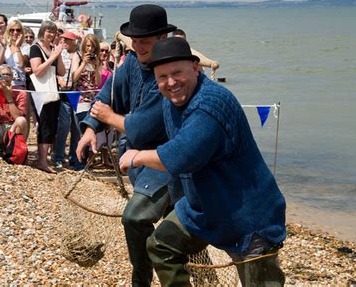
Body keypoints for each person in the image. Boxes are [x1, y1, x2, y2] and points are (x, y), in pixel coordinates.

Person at [119, 37, 286, 286]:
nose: (171, 83)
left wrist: (137, 156)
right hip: (203, 209)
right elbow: (149, 134)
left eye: (177, 73)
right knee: (162, 244)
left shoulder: (209, 105)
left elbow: (179, 156)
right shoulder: (170, 101)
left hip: (249, 218)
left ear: (195, 67)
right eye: (162, 76)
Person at [76, 4, 176, 286]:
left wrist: (109, 118)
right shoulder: (130, 63)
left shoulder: (168, 74)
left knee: (135, 219)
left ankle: (141, 280)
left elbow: (145, 126)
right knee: (168, 232)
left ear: (162, 39)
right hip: (135, 163)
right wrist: (91, 129)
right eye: (135, 40)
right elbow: (105, 97)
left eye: (145, 41)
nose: (138, 46)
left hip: (166, 162)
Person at [29, 20, 65, 173]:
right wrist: (52, 57)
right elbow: (36, 70)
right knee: (44, 123)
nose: (51, 34)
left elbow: (62, 72)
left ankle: (45, 158)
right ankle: (41, 161)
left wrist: (59, 54)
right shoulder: (35, 48)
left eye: (53, 31)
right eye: (48, 31)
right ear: (42, 32)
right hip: (40, 90)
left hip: (52, 90)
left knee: (52, 124)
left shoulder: (53, 49)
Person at [0, 64, 27, 158]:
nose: (5, 77)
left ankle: (12, 147)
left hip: (12, 127)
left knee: (21, 120)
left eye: (8, 74)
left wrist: (9, 97)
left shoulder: (20, 92)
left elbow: (18, 117)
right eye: (2, 75)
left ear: (12, 77)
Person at [52, 31, 82, 169]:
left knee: (76, 128)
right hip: (63, 91)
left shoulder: (79, 54)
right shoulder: (60, 52)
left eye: (68, 40)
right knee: (63, 125)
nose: (65, 42)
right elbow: (56, 71)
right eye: (63, 39)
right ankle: (58, 155)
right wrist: (60, 80)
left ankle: (74, 157)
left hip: (76, 92)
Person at [71, 34, 102, 121]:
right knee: (81, 123)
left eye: (93, 46)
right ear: (84, 45)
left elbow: (98, 82)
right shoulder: (78, 56)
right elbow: (74, 78)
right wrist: (83, 63)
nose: (90, 49)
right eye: (88, 45)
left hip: (93, 97)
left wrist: (96, 67)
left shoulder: (97, 59)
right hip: (80, 97)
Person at [0, 19, 26, 88]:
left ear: (21, 32)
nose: (15, 32)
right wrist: (3, 47)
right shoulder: (5, 46)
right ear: (8, 32)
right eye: (12, 30)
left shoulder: (25, 47)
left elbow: (21, 64)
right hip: (5, 83)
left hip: (20, 84)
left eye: (18, 30)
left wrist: (17, 47)